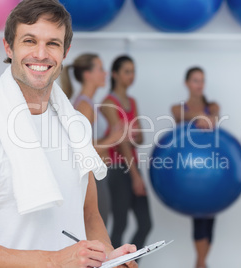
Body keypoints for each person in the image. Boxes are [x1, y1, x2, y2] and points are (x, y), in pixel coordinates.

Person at [0, 1, 137, 267]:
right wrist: (55, 261)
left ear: (65, 51)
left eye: (53, 44)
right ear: (9, 47)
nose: (41, 54)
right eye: (29, 40)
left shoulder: (75, 124)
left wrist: (107, 255)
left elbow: (89, 215)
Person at [60, 53, 125, 226]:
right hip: (92, 179)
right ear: (87, 75)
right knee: (97, 230)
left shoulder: (88, 103)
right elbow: (82, 151)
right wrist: (113, 138)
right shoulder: (84, 106)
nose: (106, 74)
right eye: (101, 69)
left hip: (99, 176)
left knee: (101, 228)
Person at [101, 55, 152, 252]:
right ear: (115, 74)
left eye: (133, 71)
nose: (132, 76)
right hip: (117, 169)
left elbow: (139, 139)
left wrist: (128, 136)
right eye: (127, 71)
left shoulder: (132, 101)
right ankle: (113, 265)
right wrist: (136, 177)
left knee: (145, 223)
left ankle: (129, 264)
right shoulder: (108, 102)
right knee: (120, 224)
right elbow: (122, 142)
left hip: (133, 165)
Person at [171, 67, 220, 268]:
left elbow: (213, 119)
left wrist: (203, 118)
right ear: (187, 83)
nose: (199, 85)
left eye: (202, 81)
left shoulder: (213, 106)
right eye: (195, 80)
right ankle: (201, 263)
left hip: (213, 171)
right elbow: (180, 115)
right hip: (189, 172)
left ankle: (200, 262)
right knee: (199, 218)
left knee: (210, 219)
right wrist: (199, 118)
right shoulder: (178, 108)